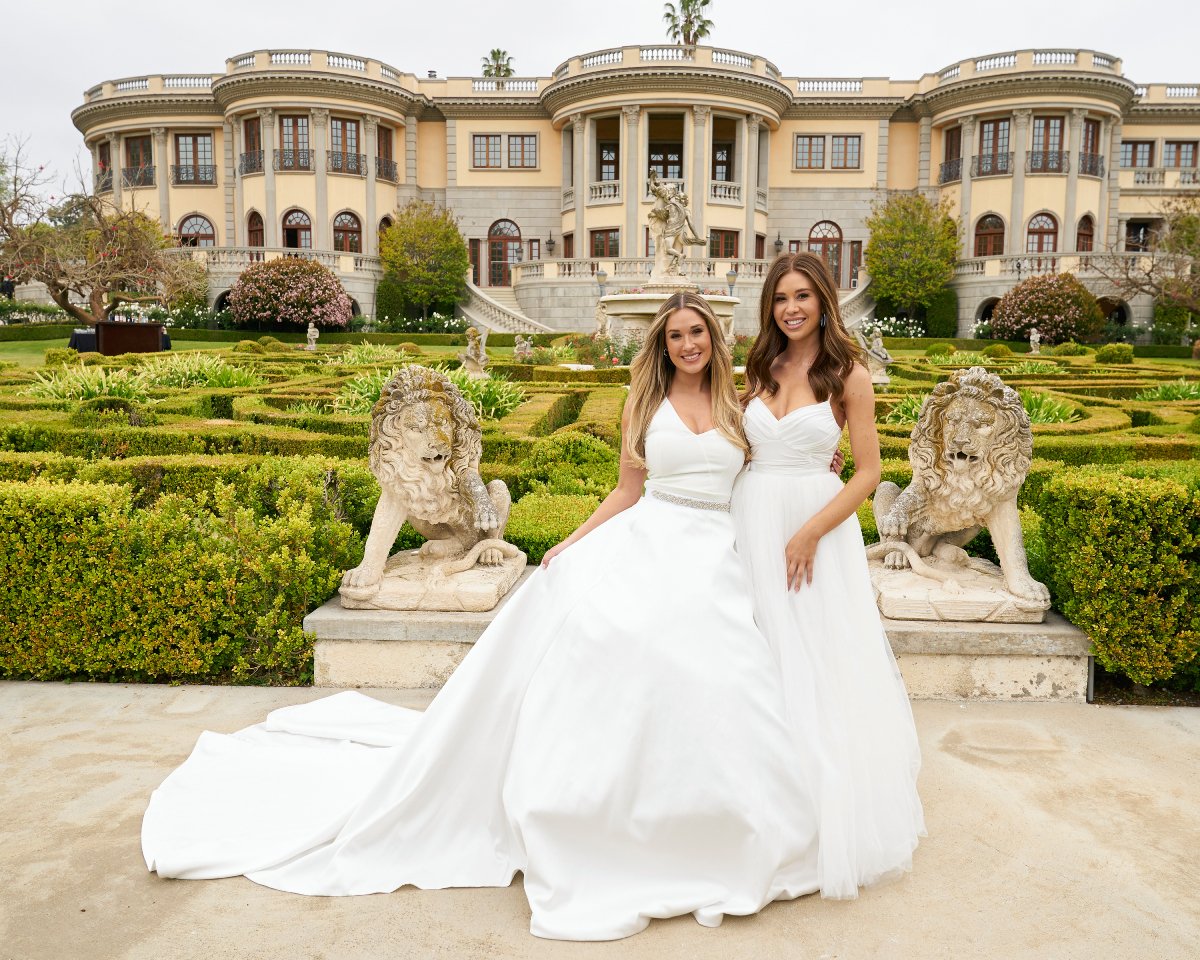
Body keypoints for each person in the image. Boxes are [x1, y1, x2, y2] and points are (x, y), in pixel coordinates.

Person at [142, 291, 822, 942]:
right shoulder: (644, 402)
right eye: (675, 336)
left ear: (714, 336)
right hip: (651, 536)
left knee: (723, 675)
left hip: (715, 556)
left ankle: (720, 820)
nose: (687, 344)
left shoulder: (742, 405)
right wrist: (574, 541)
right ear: (663, 344)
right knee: (616, 640)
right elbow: (627, 489)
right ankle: (607, 812)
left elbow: (774, 478)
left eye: (696, 333)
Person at [731, 252, 925, 899]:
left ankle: (820, 808)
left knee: (815, 659)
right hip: (752, 519)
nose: (791, 308)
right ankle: (757, 796)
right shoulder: (759, 368)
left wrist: (812, 530)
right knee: (758, 654)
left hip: (814, 531)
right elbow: (735, 445)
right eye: (781, 297)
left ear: (823, 302)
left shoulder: (849, 374)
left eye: (803, 296)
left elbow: (867, 471)